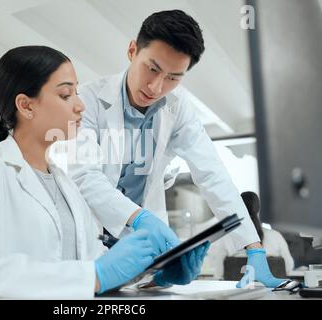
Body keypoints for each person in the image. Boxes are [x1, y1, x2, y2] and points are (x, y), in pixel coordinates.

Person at [67, 9, 288, 288]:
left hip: (147, 256)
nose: (157, 86)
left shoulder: (178, 108)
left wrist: (253, 247)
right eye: (153, 68)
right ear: (132, 50)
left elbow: (212, 174)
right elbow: (85, 175)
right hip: (91, 241)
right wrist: (139, 218)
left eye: (174, 77)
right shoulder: (87, 100)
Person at [0, 46, 208, 298]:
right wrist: (95, 275)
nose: (80, 106)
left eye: (77, 93)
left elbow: (94, 270)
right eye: (65, 95)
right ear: (26, 106)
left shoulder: (67, 185)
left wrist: (154, 274)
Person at [208, 192, 293, 282]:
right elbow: (288, 267)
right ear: (258, 209)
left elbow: (218, 272)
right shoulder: (276, 236)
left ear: (239, 208)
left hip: (236, 293)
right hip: (272, 293)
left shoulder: (227, 238)